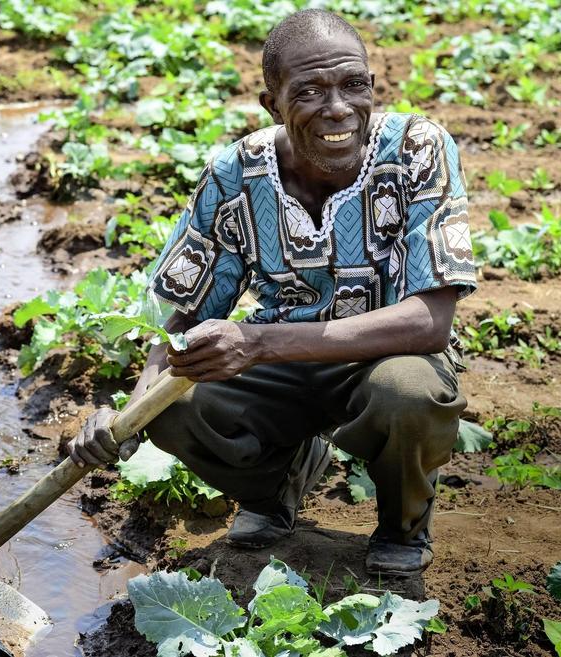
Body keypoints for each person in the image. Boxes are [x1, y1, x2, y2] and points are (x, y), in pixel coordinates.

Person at [67, 9, 478, 576]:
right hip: (282, 370)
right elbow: (177, 321)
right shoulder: (234, 175)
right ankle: (273, 487)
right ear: (273, 105)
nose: (338, 109)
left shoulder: (416, 149)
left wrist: (258, 343)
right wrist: (126, 421)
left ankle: (403, 525)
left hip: (387, 356)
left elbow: (430, 321)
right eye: (309, 91)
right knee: (174, 405)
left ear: (372, 87)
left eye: (353, 85)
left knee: (408, 393)